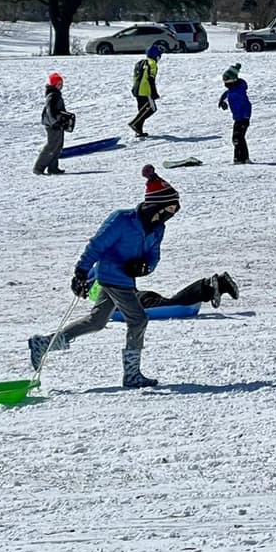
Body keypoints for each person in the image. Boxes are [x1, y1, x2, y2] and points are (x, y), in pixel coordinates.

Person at [27, 164, 182, 388]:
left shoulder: (158, 229)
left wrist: (144, 267)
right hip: (111, 276)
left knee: (97, 321)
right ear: (153, 206)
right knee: (138, 319)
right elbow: (97, 245)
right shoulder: (122, 220)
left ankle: (44, 344)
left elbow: (153, 256)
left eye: (173, 210)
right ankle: (132, 375)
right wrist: (81, 271)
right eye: (167, 209)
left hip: (125, 279)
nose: (170, 215)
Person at [88, 272, 240, 310]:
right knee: (172, 301)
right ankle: (217, 285)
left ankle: (210, 285)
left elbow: (107, 304)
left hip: (139, 301)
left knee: (173, 303)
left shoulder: (95, 287)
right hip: (140, 295)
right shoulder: (105, 273)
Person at [34, 72, 74, 175]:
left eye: (61, 84)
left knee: (58, 145)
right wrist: (56, 121)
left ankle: (53, 167)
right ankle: (38, 168)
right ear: (54, 84)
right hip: (52, 124)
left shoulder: (56, 94)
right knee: (51, 146)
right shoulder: (52, 95)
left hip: (58, 123)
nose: (61, 86)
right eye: (59, 84)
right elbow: (50, 111)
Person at [218, 63, 252, 163]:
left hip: (243, 118)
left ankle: (244, 158)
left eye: (226, 81)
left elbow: (247, 105)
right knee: (237, 139)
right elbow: (227, 93)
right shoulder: (232, 90)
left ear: (233, 80)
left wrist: (246, 117)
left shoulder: (239, 91)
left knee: (238, 138)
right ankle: (239, 159)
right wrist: (222, 100)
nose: (225, 84)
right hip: (237, 118)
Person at [129, 44, 162, 137]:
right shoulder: (152, 63)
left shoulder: (141, 62)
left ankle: (138, 130)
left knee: (142, 110)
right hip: (145, 90)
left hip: (136, 89)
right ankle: (135, 123)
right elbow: (151, 79)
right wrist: (154, 93)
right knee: (152, 109)